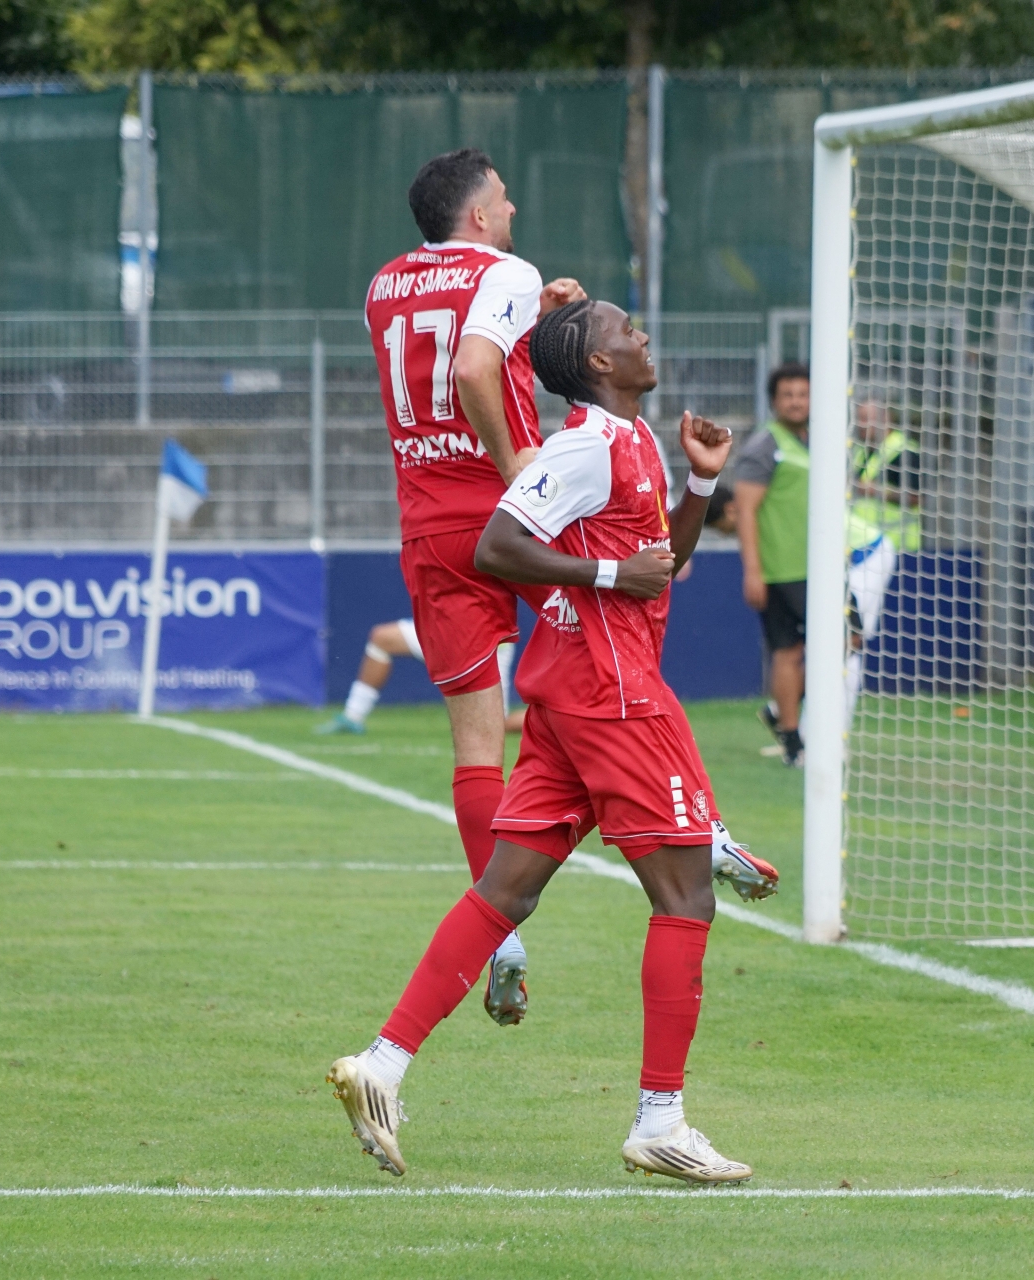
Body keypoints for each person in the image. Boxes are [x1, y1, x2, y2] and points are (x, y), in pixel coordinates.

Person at [327, 298, 775, 1184]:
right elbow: (497, 546)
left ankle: (382, 1063)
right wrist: (606, 570)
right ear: (598, 364)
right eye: (624, 330)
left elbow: (659, 569)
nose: (641, 334)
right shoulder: (585, 446)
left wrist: (699, 486)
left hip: (575, 693)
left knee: (506, 891)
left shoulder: (634, 440)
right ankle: (660, 1120)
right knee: (686, 898)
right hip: (612, 696)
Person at [364, 147, 584, 1026]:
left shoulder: (384, 284)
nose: (514, 207)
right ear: (479, 215)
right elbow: (470, 368)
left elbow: (449, 347)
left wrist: (533, 319)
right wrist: (514, 466)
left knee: (475, 751)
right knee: (618, 653)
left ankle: (502, 938)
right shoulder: (507, 271)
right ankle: (694, 827)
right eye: (504, 198)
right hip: (513, 516)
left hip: (428, 525)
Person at [733, 363, 810, 766]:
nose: (797, 402)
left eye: (803, 394)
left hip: (819, 567)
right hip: (781, 568)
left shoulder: (820, 439)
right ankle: (792, 740)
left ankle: (782, 707)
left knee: (847, 640)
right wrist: (753, 570)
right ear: (775, 401)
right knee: (787, 650)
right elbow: (745, 510)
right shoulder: (765, 447)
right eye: (788, 395)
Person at [316, 620, 525, 736]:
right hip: (446, 629)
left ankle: (544, 718)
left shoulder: (489, 557)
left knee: (493, 728)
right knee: (383, 639)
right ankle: (352, 717)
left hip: (483, 641)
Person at [844, 399, 920, 711]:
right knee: (850, 631)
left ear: (885, 419)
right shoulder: (861, 452)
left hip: (892, 547)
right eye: (859, 419)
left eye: (868, 419)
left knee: (854, 632)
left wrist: (872, 491)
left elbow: (915, 497)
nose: (862, 425)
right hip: (857, 549)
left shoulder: (903, 451)